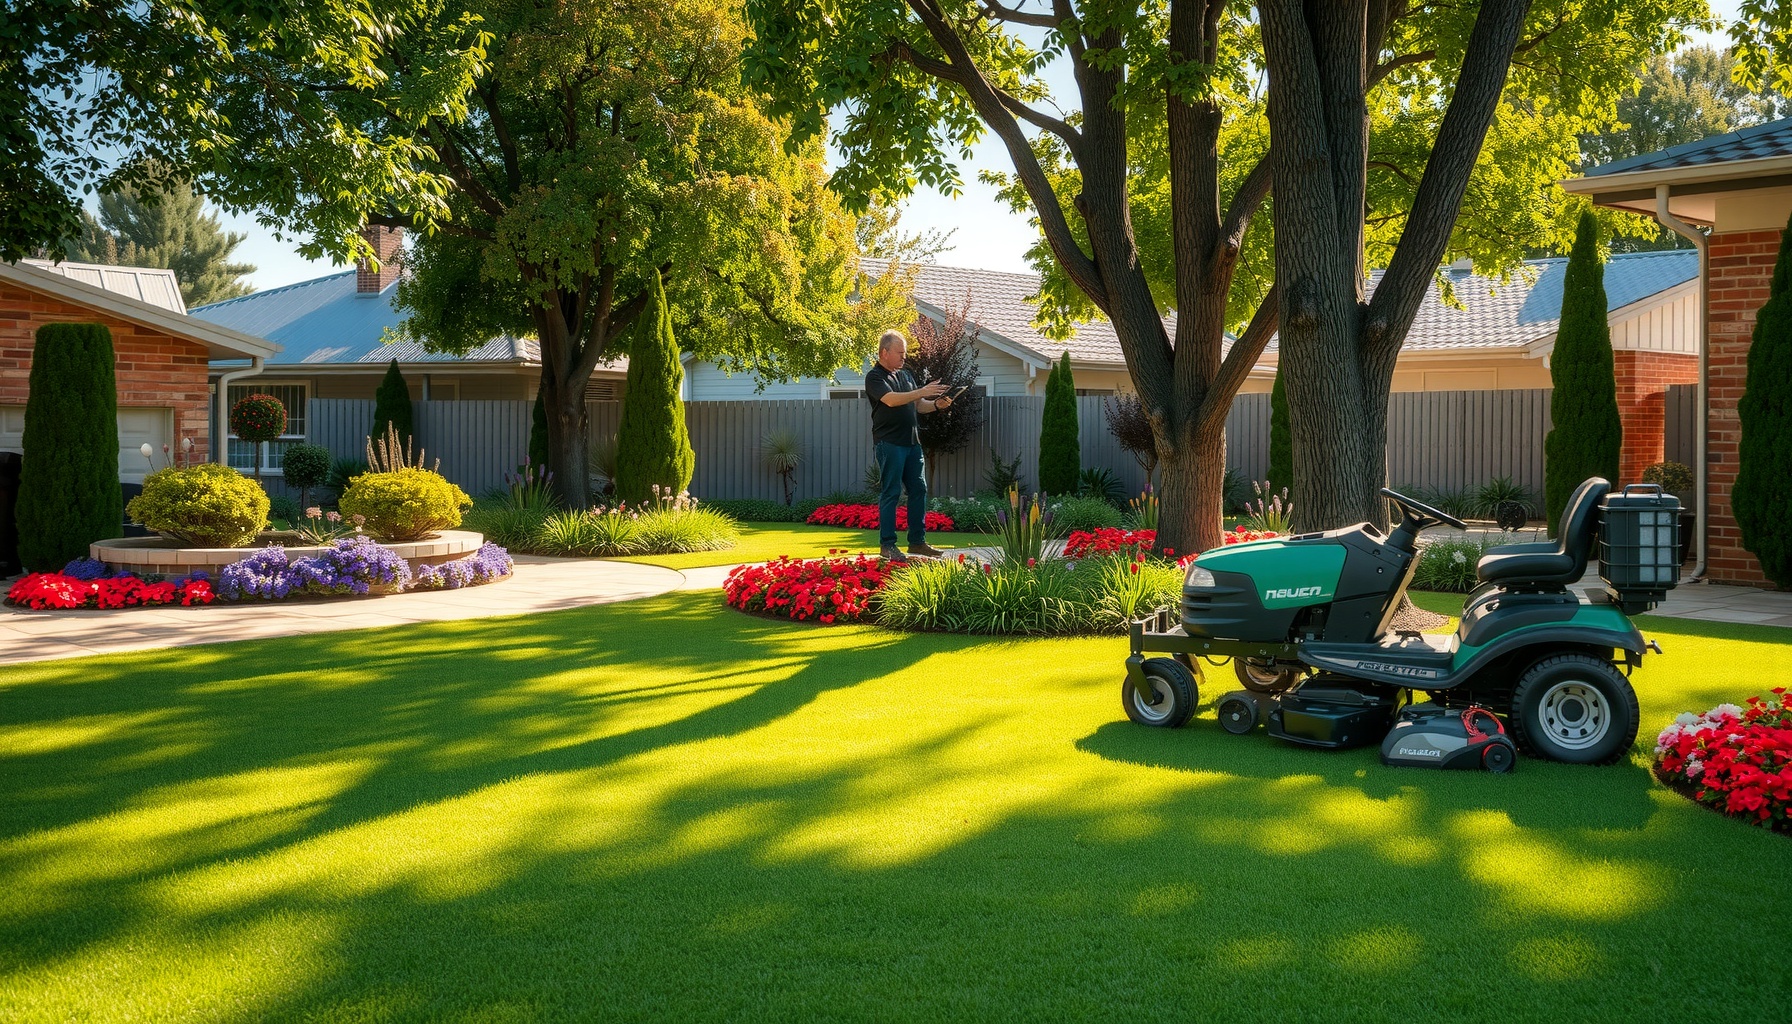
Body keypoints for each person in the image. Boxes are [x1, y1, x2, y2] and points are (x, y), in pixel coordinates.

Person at [864, 329, 953, 562]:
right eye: (899, 353)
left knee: (919, 490)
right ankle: (888, 545)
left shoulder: (906, 375)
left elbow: (919, 405)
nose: (904, 357)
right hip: (889, 443)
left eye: (904, 353)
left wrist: (936, 405)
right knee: (891, 492)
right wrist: (921, 391)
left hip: (912, 443)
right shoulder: (875, 378)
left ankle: (917, 542)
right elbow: (892, 400)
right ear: (885, 352)